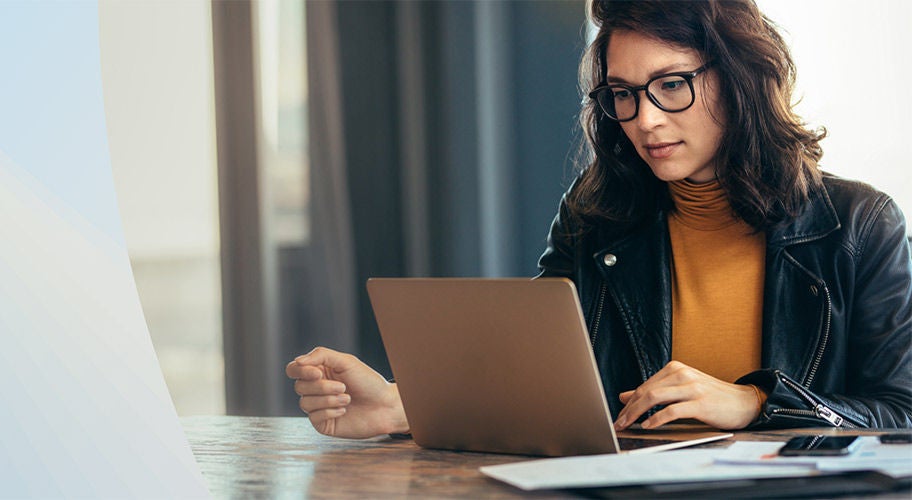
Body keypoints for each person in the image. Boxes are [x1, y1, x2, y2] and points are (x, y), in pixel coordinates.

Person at [286, 0, 912, 439]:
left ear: (739, 78)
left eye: (671, 85)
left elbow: (900, 412)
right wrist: (400, 406)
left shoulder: (859, 225)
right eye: (623, 93)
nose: (644, 119)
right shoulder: (596, 216)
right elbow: (536, 381)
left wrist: (755, 403)